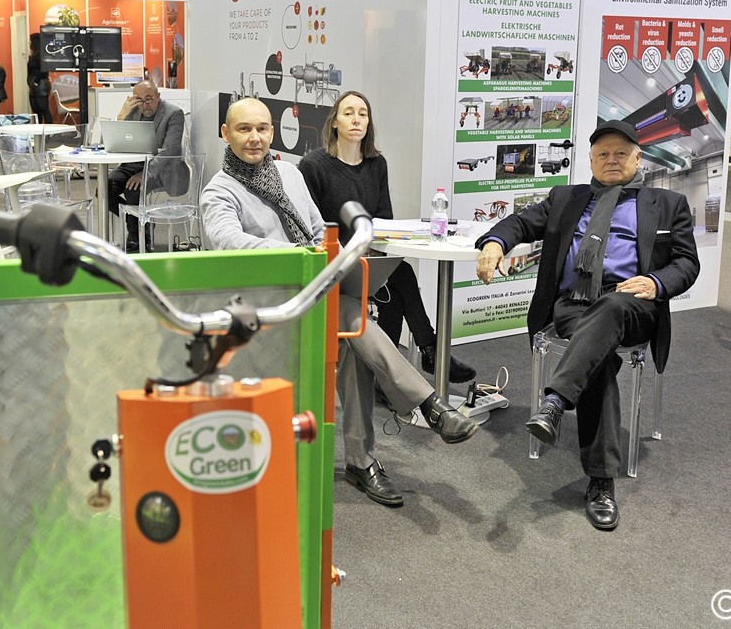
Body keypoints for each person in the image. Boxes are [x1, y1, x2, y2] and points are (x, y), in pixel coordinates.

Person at [202, 98, 478, 507]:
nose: (254, 137)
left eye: (262, 128)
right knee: (351, 317)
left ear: (272, 132)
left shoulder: (289, 173)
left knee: (352, 333)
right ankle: (422, 409)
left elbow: (317, 229)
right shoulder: (219, 191)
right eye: (244, 129)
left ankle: (367, 457)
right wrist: (304, 257)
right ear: (226, 133)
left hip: (316, 295)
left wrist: (330, 257)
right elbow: (228, 242)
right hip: (267, 307)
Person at [474, 120, 699, 530]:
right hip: (574, 304)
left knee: (611, 309)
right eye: (603, 154)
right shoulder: (566, 198)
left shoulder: (667, 203)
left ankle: (556, 402)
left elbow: (686, 262)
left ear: (638, 159)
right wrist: (494, 243)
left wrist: (656, 282)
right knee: (597, 363)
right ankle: (600, 482)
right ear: (591, 161)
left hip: (633, 304)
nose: (611, 160)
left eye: (621, 153)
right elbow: (520, 223)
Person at [297, 91, 477, 383]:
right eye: (348, 113)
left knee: (395, 284)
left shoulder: (376, 164)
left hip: (368, 257)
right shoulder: (313, 166)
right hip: (333, 264)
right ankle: (430, 350)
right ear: (334, 122)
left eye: (363, 114)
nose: (356, 119)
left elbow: (384, 217)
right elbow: (310, 225)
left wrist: (376, 252)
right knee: (401, 276)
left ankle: (392, 374)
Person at [108, 81, 186, 251]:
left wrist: (145, 173)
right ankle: (140, 223)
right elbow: (115, 142)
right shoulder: (132, 111)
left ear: (158, 96)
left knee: (133, 190)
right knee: (105, 188)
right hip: (132, 164)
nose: (145, 105)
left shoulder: (174, 113)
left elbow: (170, 150)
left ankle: (138, 239)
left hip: (162, 168)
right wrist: (121, 116)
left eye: (149, 99)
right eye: (140, 100)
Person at [26, 33, 52, 124]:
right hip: (34, 85)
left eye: (31, 42)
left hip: (40, 84)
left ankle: (49, 130)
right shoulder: (35, 54)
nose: (30, 44)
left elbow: (44, 71)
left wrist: (36, 81)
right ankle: (39, 129)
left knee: (43, 109)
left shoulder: (41, 55)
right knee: (36, 110)